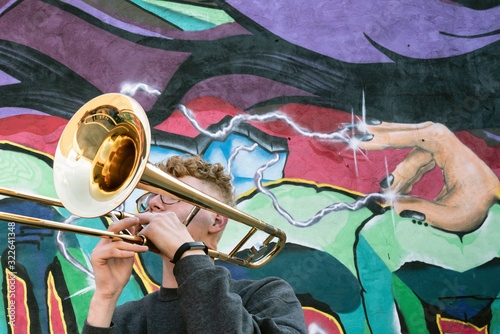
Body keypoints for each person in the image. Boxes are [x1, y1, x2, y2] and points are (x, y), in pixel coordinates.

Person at [82, 155, 308, 333]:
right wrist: (106, 296)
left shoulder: (266, 296)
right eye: (150, 196)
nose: (152, 203)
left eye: (171, 195)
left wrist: (187, 253)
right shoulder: (126, 317)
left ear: (217, 220)